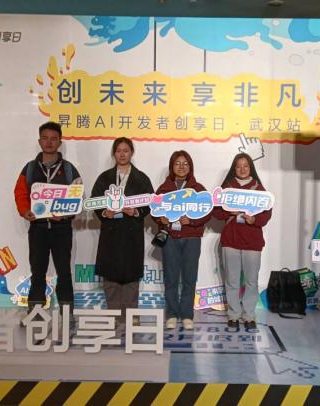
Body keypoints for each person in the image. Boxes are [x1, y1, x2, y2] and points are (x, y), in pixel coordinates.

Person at [13, 121, 81, 317]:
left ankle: (67, 315)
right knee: (38, 272)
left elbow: (77, 195)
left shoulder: (69, 169)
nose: (49, 142)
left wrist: (66, 213)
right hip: (38, 228)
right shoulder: (30, 168)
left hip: (62, 229)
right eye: (45, 138)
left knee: (64, 272)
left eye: (53, 139)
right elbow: (20, 192)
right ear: (39, 141)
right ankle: (35, 313)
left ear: (60, 142)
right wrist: (25, 210)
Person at [91, 137, 154, 323]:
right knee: (110, 277)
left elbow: (151, 202)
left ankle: (132, 315)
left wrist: (136, 211)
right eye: (118, 151)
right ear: (114, 153)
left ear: (131, 152)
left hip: (131, 233)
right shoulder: (104, 178)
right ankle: (114, 315)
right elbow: (95, 200)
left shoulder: (141, 178)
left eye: (126, 150)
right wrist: (105, 212)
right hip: (110, 233)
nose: (122, 154)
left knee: (131, 276)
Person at [213, 152, 272, 329]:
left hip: (252, 241)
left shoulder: (258, 188)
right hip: (230, 240)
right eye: (238, 166)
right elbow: (215, 211)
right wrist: (228, 212)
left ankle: (249, 315)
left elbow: (267, 213)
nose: (242, 169)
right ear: (234, 168)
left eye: (246, 166)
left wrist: (254, 220)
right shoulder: (227, 188)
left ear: (251, 168)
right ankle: (233, 315)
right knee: (232, 280)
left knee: (251, 281)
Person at [154, 151, 211, 330]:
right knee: (170, 278)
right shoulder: (164, 189)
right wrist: (160, 219)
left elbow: (207, 211)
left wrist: (192, 221)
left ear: (190, 167)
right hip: (170, 237)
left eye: (185, 163)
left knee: (189, 277)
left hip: (191, 238)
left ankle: (187, 314)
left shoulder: (198, 189)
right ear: (172, 166)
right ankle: (171, 314)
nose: (181, 167)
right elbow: (154, 209)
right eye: (177, 163)